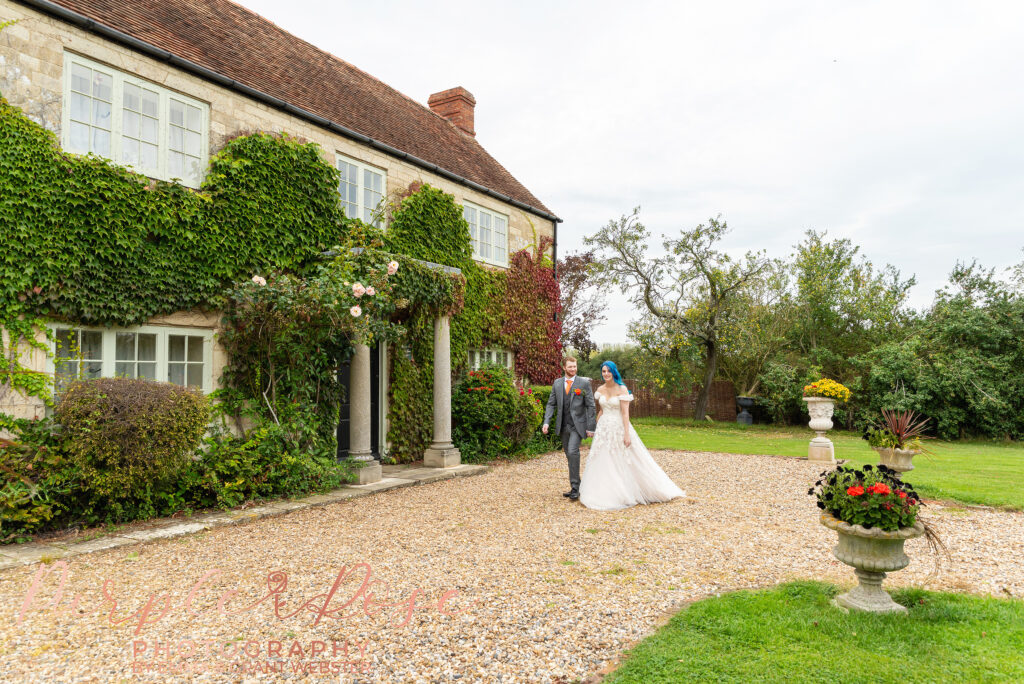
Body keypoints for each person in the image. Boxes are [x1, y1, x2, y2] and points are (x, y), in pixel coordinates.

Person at [579, 361, 685, 511]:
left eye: (609, 371)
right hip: (603, 429)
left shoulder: (622, 389)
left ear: (614, 372)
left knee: (623, 458)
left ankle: (633, 490)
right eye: (603, 371)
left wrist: (627, 434)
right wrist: (596, 429)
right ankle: (603, 490)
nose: (606, 374)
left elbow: (625, 413)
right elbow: (601, 411)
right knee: (602, 459)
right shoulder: (600, 389)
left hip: (618, 427)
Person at [542, 356, 596, 500]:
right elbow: (551, 404)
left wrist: (591, 427)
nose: (573, 369)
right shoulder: (557, 384)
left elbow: (591, 405)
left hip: (578, 426)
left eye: (575, 366)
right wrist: (546, 421)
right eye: (570, 367)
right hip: (562, 425)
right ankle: (578, 485)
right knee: (569, 455)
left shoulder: (583, 383)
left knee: (573, 452)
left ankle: (575, 488)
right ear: (564, 368)